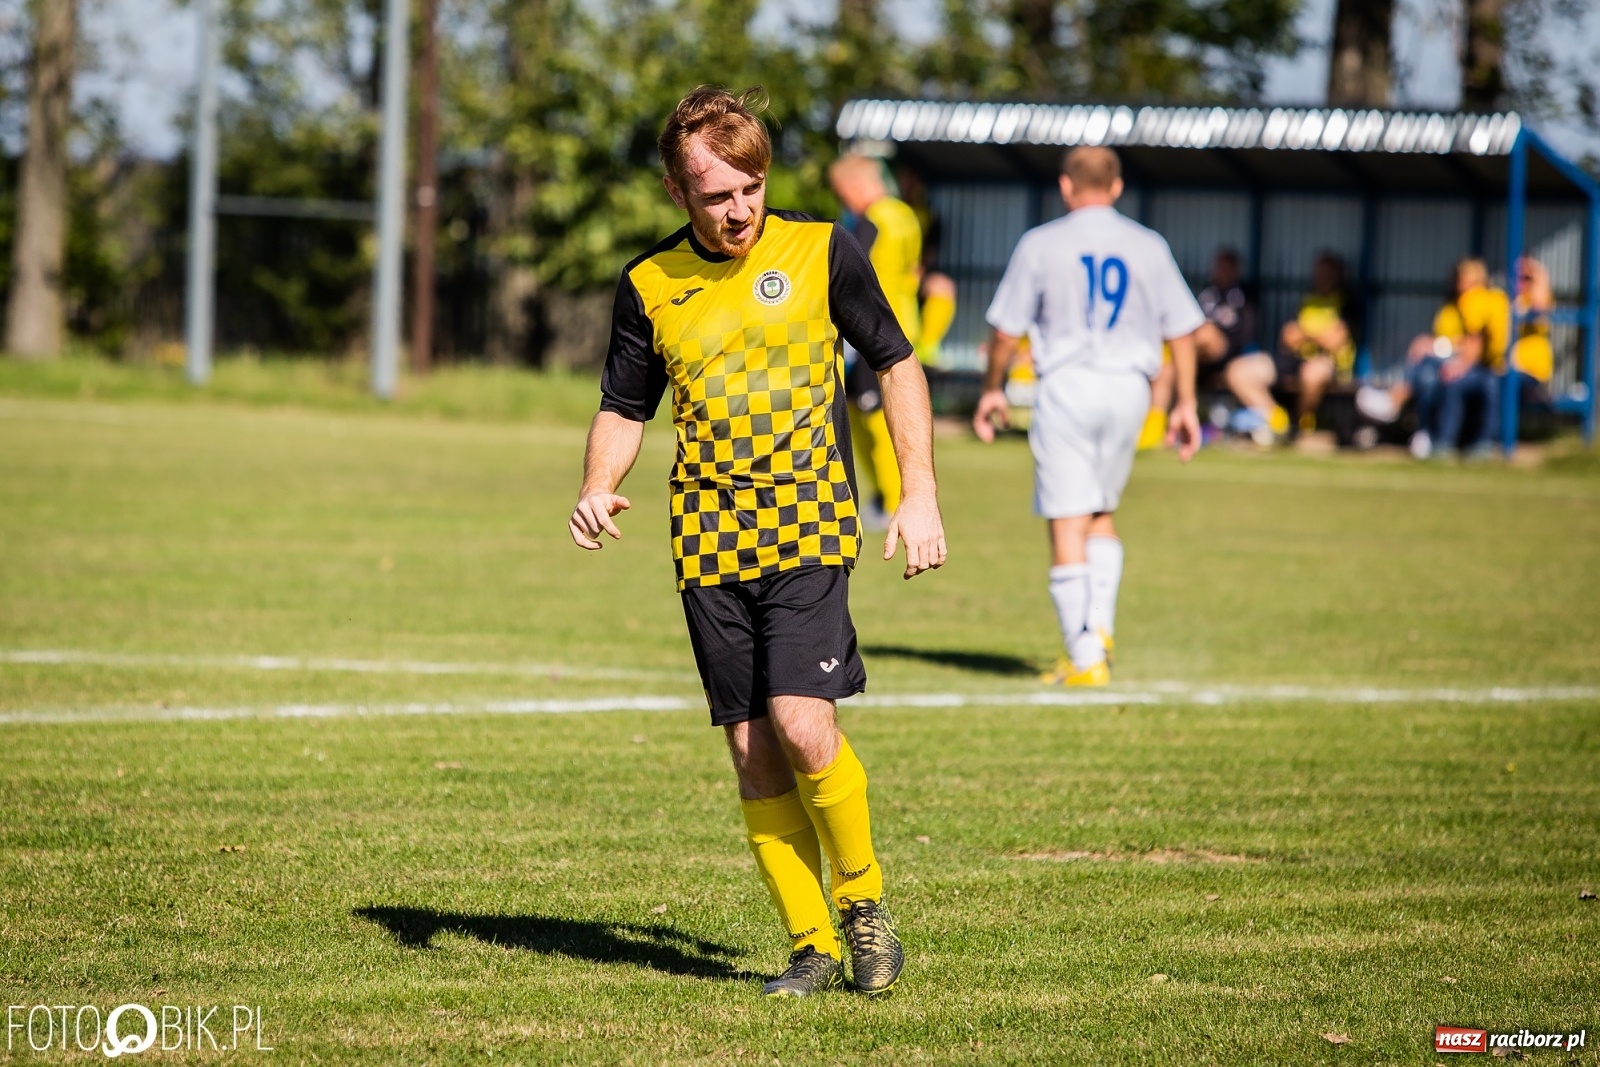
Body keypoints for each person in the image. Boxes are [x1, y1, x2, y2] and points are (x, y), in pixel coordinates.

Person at [568, 86, 947, 999]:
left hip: (809, 523)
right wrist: (596, 483)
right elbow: (625, 406)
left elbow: (896, 361)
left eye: (752, 188)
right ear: (677, 192)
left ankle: (863, 903)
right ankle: (811, 944)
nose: (740, 210)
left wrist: (920, 493)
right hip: (706, 540)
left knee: (803, 722)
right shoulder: (649, 283)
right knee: (752, 748)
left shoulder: (822, 249)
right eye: (717, 196)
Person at [971, 145, 1203, 687]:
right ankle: (1099, 633)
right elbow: (1182, 330)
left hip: (1069, 386)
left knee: (1066, 520)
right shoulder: (1149, 244)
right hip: (1130, 389)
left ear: (1066, 186)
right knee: (1100, 511)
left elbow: (1005, 331)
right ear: (1117, 187)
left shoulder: (1042, 243)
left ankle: (1084, 656)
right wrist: (1187, 403)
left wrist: (992, 389)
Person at [829, 154, 924, 529]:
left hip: (876, 330)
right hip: (904, 322)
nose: (845, 201)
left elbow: (850, 268)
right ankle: (884, 496)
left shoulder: (873, 219)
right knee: (869, 409)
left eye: (843, 194)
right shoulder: (906, 215)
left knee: (872, 416)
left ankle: (891, 498)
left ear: (855, 185)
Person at [1357, 257, 1511, 459]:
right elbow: (1455, 338)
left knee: (1434, 373)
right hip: (1458, 361)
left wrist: (1453, 360)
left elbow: (1474, 340)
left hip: (1483, 367)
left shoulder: (1477, 298)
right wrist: (1433, 345)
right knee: (1425, 372)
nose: (1457, 282)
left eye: (1462, 277)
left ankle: (1401, 406)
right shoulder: (1454, 305)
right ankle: (1426, 433)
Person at [1194, 249, 1288, 442]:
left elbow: (1248, 334)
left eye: (1226, 267)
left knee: (1235, 371)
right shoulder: (1207, 293)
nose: (1221, 271)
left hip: (1232, 355)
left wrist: (1220, 341)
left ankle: (1279, 424)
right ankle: (1159, 423)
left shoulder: (1245, 296)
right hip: (1201, 359)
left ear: (1236, 270)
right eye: (1219, 266)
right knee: (1171, 364)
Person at [1277, 252, 1357, 433]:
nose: (1321, 277)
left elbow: (1334, 341)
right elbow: (1287, 337)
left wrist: (1305, 333)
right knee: (1248, 370)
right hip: (1297, 360)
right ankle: (1276, 421)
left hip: (1332, 364)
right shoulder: (1307, 299)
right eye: (1319, 272)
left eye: (1327, 273)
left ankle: (1299, 424)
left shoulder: (1346, 302)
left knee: (1312, 373)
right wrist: (1319, 334)